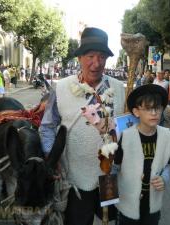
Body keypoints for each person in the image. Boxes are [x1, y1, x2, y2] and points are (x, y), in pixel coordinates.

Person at [39, 27, 125, 225]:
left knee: (109, 221)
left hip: (109, 175)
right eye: (91, 56)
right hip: (75, 176)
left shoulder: (118, 88)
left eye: (102, 57)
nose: (96, 63)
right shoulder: (61, 87)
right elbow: (47, 127)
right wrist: (52, 158)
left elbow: (126, 128)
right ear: (80, 58)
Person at [113, 84, 170, 225]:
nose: (154, 113)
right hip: (128, 202)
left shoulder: (167, 136)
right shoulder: (126, 136)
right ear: (136, 112)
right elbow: (115, 167)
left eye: (157, 108)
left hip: (152, 204)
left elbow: (167, 166)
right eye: (147, 108)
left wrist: (164, 179)